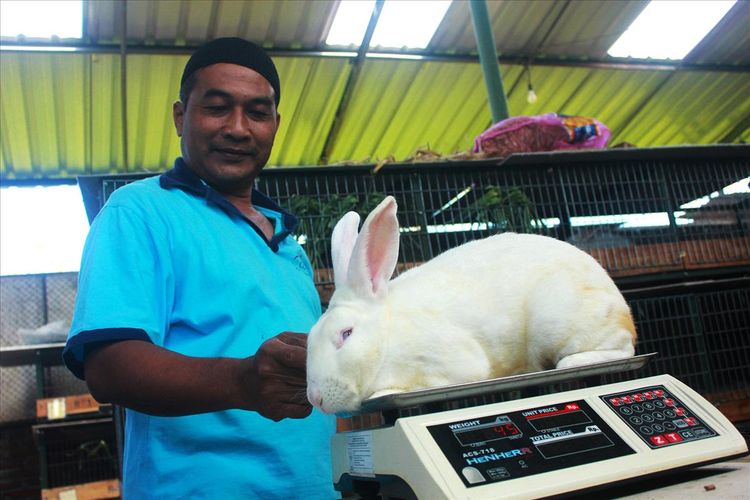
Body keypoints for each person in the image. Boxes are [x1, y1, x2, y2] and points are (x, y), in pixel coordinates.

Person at [63, 37, 337, 499]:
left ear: (275, 124)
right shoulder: (141, 212)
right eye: (216, 107)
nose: (237, 128)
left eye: (257, 112)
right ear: (179, 116)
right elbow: (108, 366)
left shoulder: (289, 245)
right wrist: (243, 381)